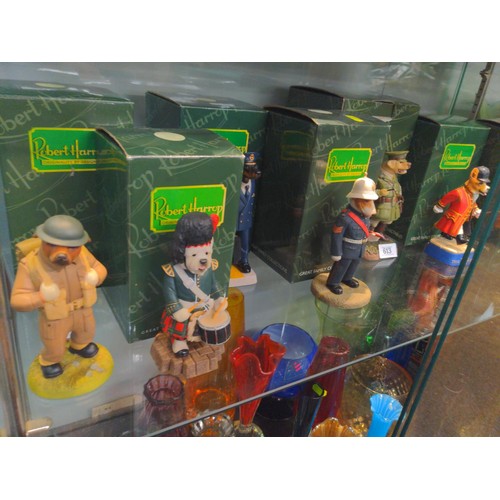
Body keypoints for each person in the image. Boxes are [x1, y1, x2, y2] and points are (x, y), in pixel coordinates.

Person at [10, 215, 107, 379]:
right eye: (53, 245)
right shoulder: (30, 265)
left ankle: (80, 345)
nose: (63, 253)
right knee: (54, 346)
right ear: (41, 240)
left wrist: (96, 275)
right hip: (55, 319)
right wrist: (41, 297)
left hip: (83, 309)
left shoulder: (83, 253)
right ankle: (49, 361)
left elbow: (99, 267)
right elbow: (17, 300)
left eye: (71, 247)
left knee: (86, 332)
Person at [161, 211, 227, 357]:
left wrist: (219, 298)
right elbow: (169, 294)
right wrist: (176, 309)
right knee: (181, 326)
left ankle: (203, 336)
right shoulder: (173, 272)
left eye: (207, 253)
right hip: (184, 307)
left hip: (205, 306)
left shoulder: (210, 267)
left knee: (205, 322)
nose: (203, 259)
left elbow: (214, 285)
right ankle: (179, 341)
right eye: (195, 255)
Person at [326, 176, 379, 295]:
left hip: (360, 249)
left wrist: (370, 235)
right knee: (342, 266)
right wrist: (336, 253)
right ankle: (333, 282)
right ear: (356, 199)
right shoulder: (345, 217)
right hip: (347, 249)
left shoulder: (365, 217)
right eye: (366, 201)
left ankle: (347, 278)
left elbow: (363, 230)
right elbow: (337, 235)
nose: (371, 205)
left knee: (354, 265)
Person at [433, 166, 490, 245]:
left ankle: (455, 236)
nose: (484, 186)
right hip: (456, 216)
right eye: (480, 183)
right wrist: (439, 205)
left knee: (464, 227)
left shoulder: (473, 194)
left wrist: (476, 209)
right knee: (455, 227)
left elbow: (472, 203)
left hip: (465, 217)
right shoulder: (459, 192)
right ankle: (456, 237)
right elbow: (448, 197)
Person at [371, 150, 411, 236]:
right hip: (380, 205)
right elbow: (369, 192)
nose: (408, 164)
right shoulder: (379, 177)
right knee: (374, 221)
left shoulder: (393, 177)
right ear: (391, 163)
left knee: (387, 220)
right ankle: (368, 234)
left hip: (392, 205)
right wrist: (379, 192)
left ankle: (379, 234)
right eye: (401, 162)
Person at [235, 152, 261, 273]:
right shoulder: (234, 183)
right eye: (249, 168)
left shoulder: (253, 183)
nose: (254, 171)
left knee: (245, 242)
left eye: (254, 167)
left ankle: (244, 260)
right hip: (233, 219)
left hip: (246, 218)